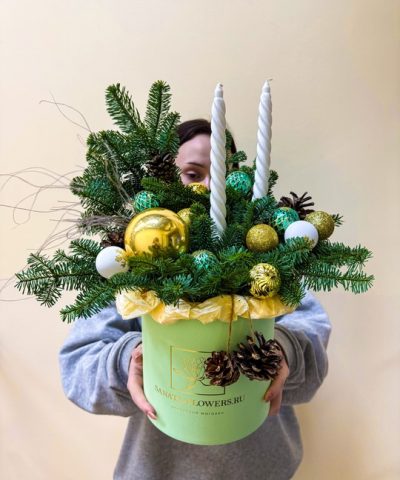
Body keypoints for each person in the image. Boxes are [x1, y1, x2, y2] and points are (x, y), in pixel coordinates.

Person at [59, 119, 331, 480]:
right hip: (159, 469)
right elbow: (77, 364)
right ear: (166, 182)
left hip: (260, 467)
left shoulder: (268, 261)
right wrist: (127, 361)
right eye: (192, 174)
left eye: (223, 175)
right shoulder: (130, 266)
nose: (209, 188)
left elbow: (311, 328)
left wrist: (282, 350)